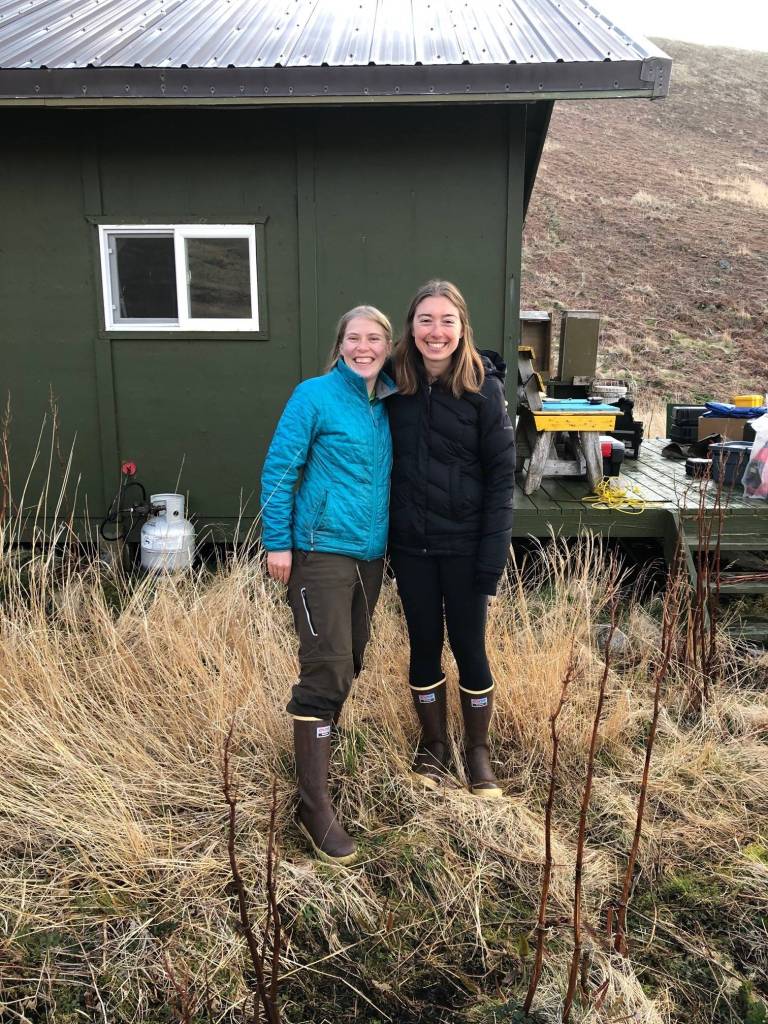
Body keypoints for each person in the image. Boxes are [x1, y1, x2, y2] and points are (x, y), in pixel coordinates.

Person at [260, 306, 395, 865]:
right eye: (354, 338)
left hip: (369, 557)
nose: (364, 347)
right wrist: (279, 542)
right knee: (328, 667)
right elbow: (279, 469)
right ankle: (313, 805)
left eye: (375, 339)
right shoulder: (313, 395)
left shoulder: (389, 403)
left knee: (351, 661)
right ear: (340, 343)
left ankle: (317, 769)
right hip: (319, 552)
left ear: (389, 346)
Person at [386, 280, 515, 798]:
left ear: (462, 328)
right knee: (422, 645)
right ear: (411, 327)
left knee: (469, 646)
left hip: (465, 545)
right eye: (425, 320)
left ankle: (477, 750)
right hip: (410, 545)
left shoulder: (484, 388)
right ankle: (435, 744)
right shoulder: (391, 383)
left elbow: (502, 477)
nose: (435, 332)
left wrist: (492, 558)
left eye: (446, 321)